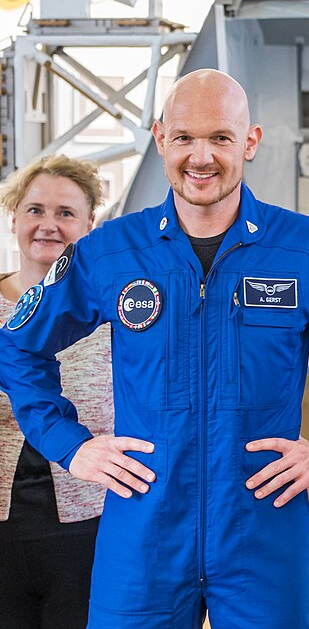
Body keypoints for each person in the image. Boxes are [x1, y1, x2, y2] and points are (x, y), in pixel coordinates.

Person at [0, 69, 309, 628]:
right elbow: (17, 347)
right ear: (160, 140)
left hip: (264, 535)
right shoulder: (109, 253)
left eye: (220, 138)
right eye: (184, 138)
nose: (201, 156)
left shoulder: (308, 248)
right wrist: (71, 445)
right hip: (143, 537)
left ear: (249, 142)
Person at [0, 156, 113, 627]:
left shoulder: (118, 314)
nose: (49, 225)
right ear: (14, 219)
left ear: (89, 224)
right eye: (35, 210)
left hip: (91, 525)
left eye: (65, 213)